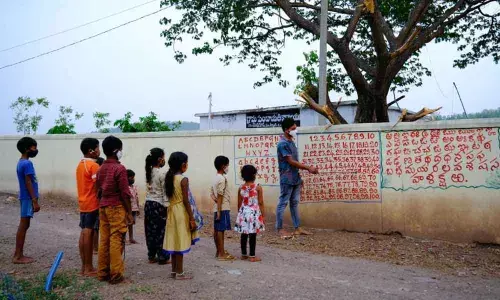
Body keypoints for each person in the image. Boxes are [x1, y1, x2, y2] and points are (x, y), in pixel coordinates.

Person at [96, 136, 134, 284]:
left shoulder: (101, 168)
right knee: (116, 239)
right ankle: (116, 274)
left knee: (104, 239)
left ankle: (102, 272)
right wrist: (129, 213)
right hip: (116, 207)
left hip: (103, 207)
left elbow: (98, 190)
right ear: (116, 150)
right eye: (121, 149)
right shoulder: (120, 168)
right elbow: (125, 193)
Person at [276, 117, 318, 239]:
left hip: (295, 177)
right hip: (287, 178)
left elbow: (295, 162)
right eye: (293, 128)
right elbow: (291, 161)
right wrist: (308, 168)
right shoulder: (283, 144)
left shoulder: (291, 141)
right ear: (286, 130)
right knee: (283, 203)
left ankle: (297, 227)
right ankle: (279, 228)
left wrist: (299, 177)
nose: (295, 130)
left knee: (294, 203)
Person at [163, 152, 202, 280]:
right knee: (180, 241)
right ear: (183, 164)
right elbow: (186, 200)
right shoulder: (183, 179)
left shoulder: (169, 177)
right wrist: (191, 218)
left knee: (174, 240)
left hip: (172, 211)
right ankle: (180, 272)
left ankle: (174, 271)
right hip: (180, 211)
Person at [13, 137, 40, 264]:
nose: (35, 150)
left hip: (25, 197)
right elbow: (28, 182)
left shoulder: (21, 162)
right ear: (26, 148)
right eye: (33, 147)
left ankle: (18, 254)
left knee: (25, 225)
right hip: (27, 198)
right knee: (23, 225)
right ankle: (18, 256)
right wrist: (34, 200)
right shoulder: (27, 164)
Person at [76, 138, 101, 276]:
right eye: (97, 147)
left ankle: (84, 266)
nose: (99, 150)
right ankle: (88, 267)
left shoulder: (80, 164)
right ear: (91, 151)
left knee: (84, 233)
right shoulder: (94, 166)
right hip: (92, 203)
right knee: (89, 234)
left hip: (83, 203)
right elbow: (98, 187)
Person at [144, 148, 170, 264]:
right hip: (159, 204)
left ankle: (151, 255)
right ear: (160, 159)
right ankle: (162, 256)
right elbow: (165, 192)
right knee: (161, 231)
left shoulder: (149, 172)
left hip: (149, 204)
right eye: (163, 158)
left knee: (150, 231)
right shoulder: (162, 173)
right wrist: (167, 206)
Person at [235, 165, 265, 262]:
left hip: (243, 212)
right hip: (254, 213)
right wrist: (263, 215)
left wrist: (239, 214)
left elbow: (239, 203)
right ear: (254, 175)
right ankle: (252, 256)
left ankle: (244, 254)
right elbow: (260, 202)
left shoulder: (240, 188)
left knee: (244, 233)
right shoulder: (258, 187)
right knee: (253, 234)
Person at [210, 156, 235, 261]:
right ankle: (221, 254)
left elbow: (212, 194)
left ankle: (219, 251)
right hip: (222, 207)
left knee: (217, 230)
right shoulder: (222, 179)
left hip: (218, 207)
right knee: (221, 230)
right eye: (227, 165)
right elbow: (220, 195)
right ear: (223, 166)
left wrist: (217, 204)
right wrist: (220, 210)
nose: (228, 167)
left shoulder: (215, 178)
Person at [93, 156, 105, 254]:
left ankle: (94, 246)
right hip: (98, 204)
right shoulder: (99, 174)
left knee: (94, 227)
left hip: (92, 203)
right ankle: (96, 247)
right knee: (96, 227)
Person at [127, 169, 139, 244]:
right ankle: (123, 238)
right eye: (131, 177)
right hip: (128, 209)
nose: (133, 179)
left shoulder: (134, 187)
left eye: (133, 177)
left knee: (131, 223)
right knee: (126, 223)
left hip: (134, 209)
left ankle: (131, 238)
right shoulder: (125, 188)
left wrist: (138, 209)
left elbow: (137, 198)